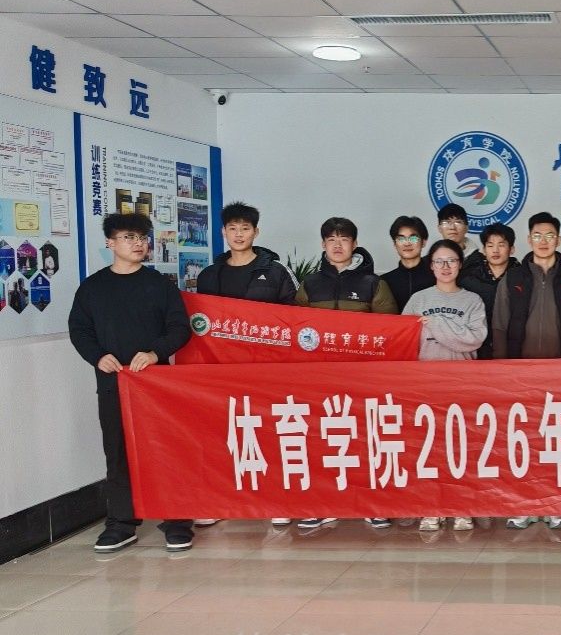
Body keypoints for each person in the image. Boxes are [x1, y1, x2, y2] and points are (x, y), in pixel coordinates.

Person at [69, 212, 194, 553]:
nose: (138, 243)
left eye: (142, 237)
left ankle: (177, 521)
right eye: (129, 237)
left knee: (166, 449)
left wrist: (155, 353)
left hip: (156, 384)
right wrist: (97, 356)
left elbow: (179, 328)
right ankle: (121, 523)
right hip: (113, 383)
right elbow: (79, 330)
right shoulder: (93, 288)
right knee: (117, 451)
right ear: (110, 243)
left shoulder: (159, 285)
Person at [194, 200, 298, 528]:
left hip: (265, 369)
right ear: (223, 232)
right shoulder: (209, 275)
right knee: (224, 433)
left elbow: (295, 320)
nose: (239, 234)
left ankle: (275, 499)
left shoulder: (276, 272)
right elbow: (200, 322)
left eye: (245, 228)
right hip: (221, 369)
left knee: (268, 431)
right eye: (233, 228)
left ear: (256, 232)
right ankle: (221, 500)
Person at [492, 211, 561, 530]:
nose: (543, 241)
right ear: (528, 240)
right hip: (520, 374)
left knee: (557, 443)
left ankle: (557, 505)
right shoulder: (513, 278)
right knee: (522, 441)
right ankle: (523, 505)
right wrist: (501, 371)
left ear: (559, 240)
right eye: (537, 235)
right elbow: (499, 326)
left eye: (549, 236)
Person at [296, 217, 397, 531]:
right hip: (320, 379)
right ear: (323, 244)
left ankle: (373, 503)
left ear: (355, 244)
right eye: (331, 240)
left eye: (344, 239)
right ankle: (322, 504)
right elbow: (297, 331)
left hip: (363, 379)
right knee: (321, 440)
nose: (337, 245)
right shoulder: (310, 285)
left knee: (366, 440)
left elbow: (390, 332)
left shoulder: (373, 284)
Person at [404, 240, 488, 534]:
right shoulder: (418, 300)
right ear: (431, 266)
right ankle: (431, 507)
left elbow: (473, 339)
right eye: (439, 261)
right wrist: (451, 330)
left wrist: (436, 324)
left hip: (462, 385)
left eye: (451, 260)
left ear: (460, 264)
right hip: (425, 385)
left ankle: (462, 507)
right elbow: (406, 339)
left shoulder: (472, 301)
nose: (445, 266)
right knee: (430, 450)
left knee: (461, 449)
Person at [459, 222, 518, 360]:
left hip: (512, 348)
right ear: (484, 250)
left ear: (512, 249)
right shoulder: (469, 280)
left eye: (501, 245)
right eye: (490, 245)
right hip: (477, 348)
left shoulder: (522, 278)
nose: (495, 250)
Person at [381, 215, 435, 312]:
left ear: (423, 242)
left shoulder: (437, 277)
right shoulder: (384, 281)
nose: (407, 243)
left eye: (413, 238)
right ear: (394, 244)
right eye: (401, 239)